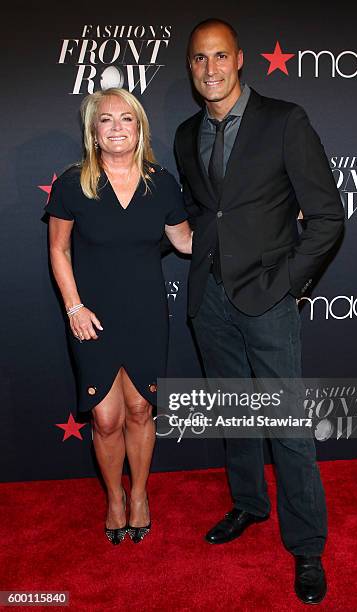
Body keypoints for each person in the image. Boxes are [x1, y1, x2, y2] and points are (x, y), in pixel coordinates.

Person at [174, 19, 344, 604]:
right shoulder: (183, 133)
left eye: (220, 56)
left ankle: (307, 548)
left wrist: (288, 285)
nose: (211, 69)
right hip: (211, 300)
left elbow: (327, 218)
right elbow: (206, 212)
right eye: (199, 59)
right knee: (235, 416)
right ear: (190, 67)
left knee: (288, 427)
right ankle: (249, 504)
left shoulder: (284, 120)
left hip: (267, 299)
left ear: (240, 59)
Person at [46, 88, 191, 545]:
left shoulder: (161, 183)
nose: (116, 128)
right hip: (92, 316)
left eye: (125, 119)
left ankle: (140, 495)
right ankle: (114, 497)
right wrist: (73, 307)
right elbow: (58, 249)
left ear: (139, 126)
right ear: (93, 131)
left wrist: (251, 226)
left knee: (140, 408)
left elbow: (186, 241)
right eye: (105, 120)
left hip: (146, 312)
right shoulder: (74, 183)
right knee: (105, 418)